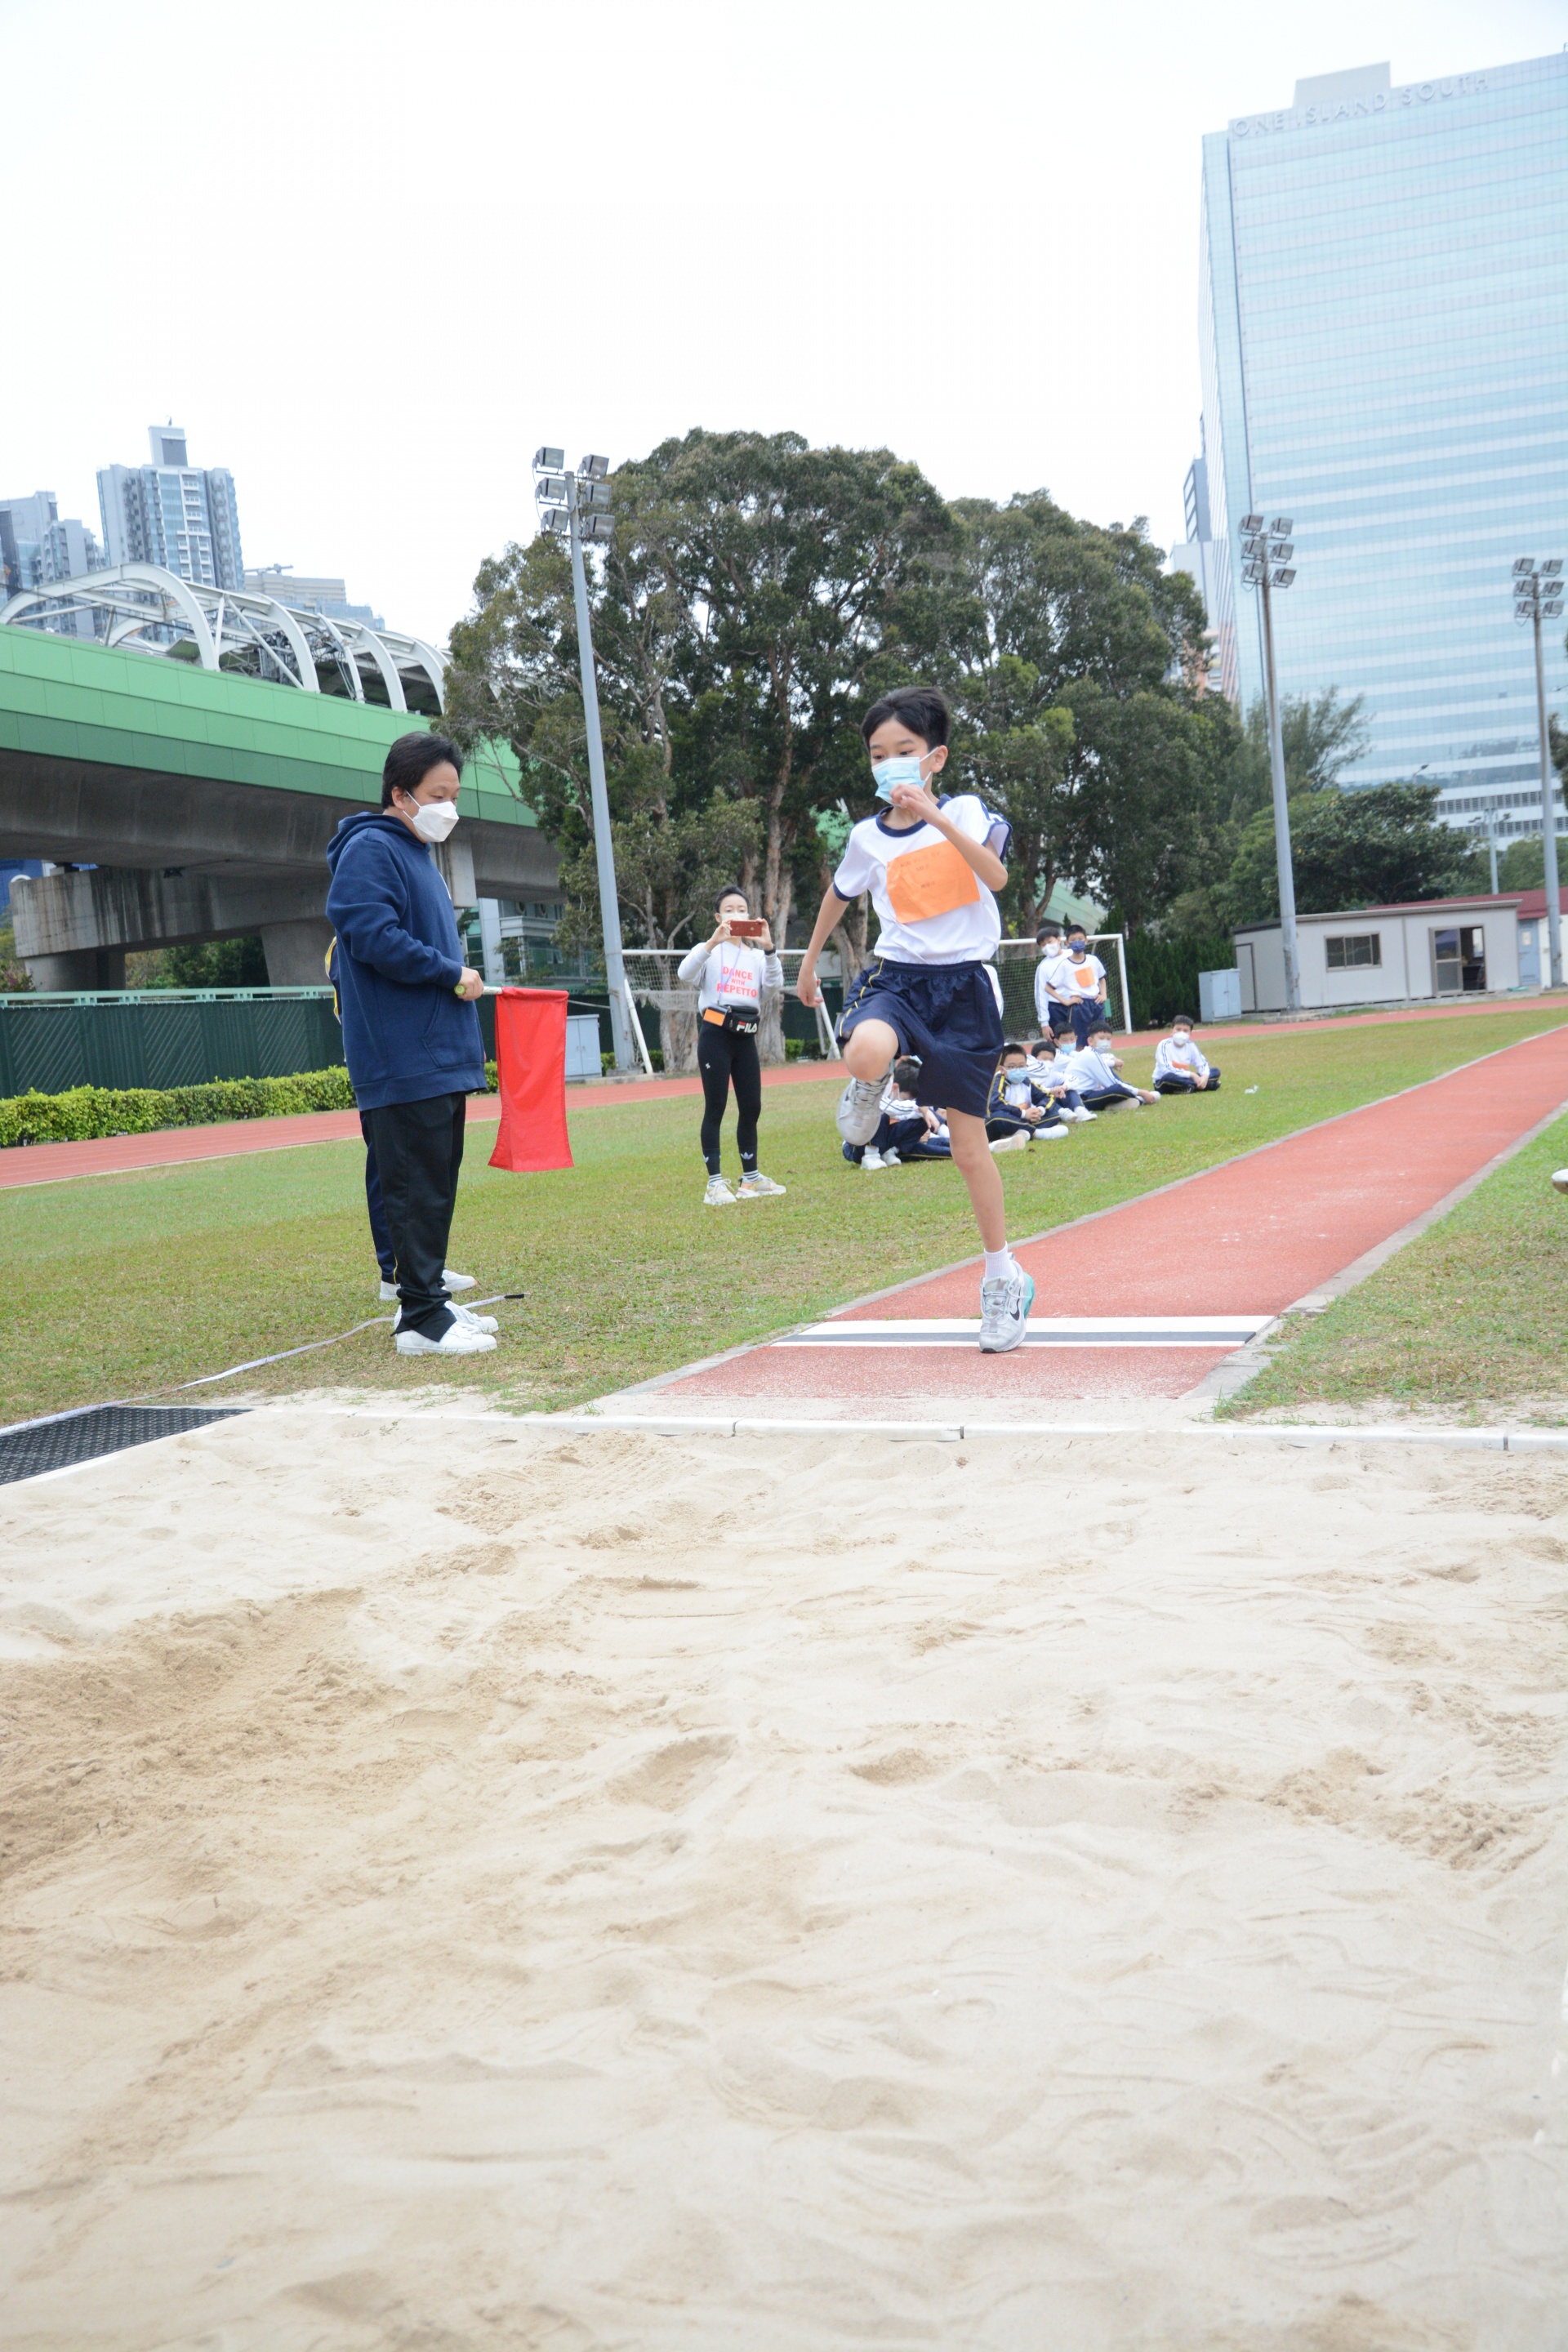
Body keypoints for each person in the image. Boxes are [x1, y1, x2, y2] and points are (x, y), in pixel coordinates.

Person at [796, 683, 1035, 1352]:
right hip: (900, 977)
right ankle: (868, 1085)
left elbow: (995, 877)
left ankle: (1004, 1278)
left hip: (966, 988)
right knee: (864, 1049)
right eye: (877, 754)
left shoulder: (965, 810)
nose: (889, 764)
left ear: (935, 757)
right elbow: (838, 895)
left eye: (903, 750)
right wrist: (808, 965)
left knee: (967, 1149)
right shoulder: (866, 837)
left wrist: (934, 816)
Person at [325, 732, 497, 1357]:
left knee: (434, 1184)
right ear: (401, 795)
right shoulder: (370, 849)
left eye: (454, 795)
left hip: (438, 1055)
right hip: (403, 1056)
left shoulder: (417, 853)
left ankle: (430, 1299)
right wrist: (450, 972)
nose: (448, 807)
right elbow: (371, 935)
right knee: (413, 1184)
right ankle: (421, 1320)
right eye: (437, 795)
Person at [676, 884, 788, 1206]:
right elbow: (685, 973)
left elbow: (772, 987)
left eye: (741, 910)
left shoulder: (756, 956)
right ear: (718, 917)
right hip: (716, 1035)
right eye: (729, 910)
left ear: (750, 916)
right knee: (716, 1107)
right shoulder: (709, 951)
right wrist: (712, 942)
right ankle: (714, 1184)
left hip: (745, 1037)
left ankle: (751, 1179)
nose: (736, 915)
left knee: (751, 1107)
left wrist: (769, 949)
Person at [861, 1058, 951, 1165]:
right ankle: (872, 1157)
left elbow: (928, 1121)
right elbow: (894, 1109)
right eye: (905, 1099)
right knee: (942, 1151)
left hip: (905, 1142)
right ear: (895, 1087)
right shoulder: (877, 1093)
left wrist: (921, 1130)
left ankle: (964, 1144)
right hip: (870, 1144)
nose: (907, 1103)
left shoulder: (909, 1096)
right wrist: (919, 1109)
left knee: (949, 1142)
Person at [986, 1043, 1070, 1152]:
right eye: (1012, 1067)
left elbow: (1047, 1096)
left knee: (1054, 1114)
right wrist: (1024, 1113)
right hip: (1002, 1121)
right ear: (1001, 1069)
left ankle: (1015, 1135)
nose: (1018, 1070)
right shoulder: (998, 1081)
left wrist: (1040, 1110)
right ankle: (1036, 1133)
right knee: (998, 1117)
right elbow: (995, 1104)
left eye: (1021, 1066)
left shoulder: (1027, 1082)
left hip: (1023, 1121)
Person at [1065, 1020, 1159, 1111]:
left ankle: (1117, 1104)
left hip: (1092, 1093)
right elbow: (1111, 1083)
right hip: (1082, 1098)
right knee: (1117, 1089)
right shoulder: (1090, 1056)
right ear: (1090, 1041)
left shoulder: (1094, 1054)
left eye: (1108, 1039)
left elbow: (1108, 1063)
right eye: (1102, 1038)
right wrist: (1142, 1092)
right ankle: (1141, 1099)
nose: (1105, 1042)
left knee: (1124, 1086)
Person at [1054, 924, 1110, 1049]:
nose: (1077, 942)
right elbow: (1049, 987)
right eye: (1073, 940)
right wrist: (1066, 1001)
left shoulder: (1093, 960)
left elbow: (1102, 979)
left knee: (1100, 1035)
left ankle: (1101, 1058)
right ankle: (1079, 1059)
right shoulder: (1065, 964)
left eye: (1080, 939)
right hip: (1079, 1006)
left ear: (1086, 940)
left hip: (1096, 1003)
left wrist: (1104, 995)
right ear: (1067, 942)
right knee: (1080, 1039)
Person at [1027, 1036, 1096, 1123]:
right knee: (1046, 1098)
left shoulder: (1052, 1074)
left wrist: (1064, 1087)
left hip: (1057, 1099)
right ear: (1034, 1059)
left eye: (1051, 1059)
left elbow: (1073, 1079)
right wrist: (1051, 1090)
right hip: (1039, 1105)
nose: (1048, 1062)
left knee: (1069, 1089)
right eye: (1044, 1059)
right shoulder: (1026, 1074)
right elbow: (1032, 1092)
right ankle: (1063, 1113)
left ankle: (1079, 1110)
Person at [1152, 1014, 1221, 1094]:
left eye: (1185, 1031)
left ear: (1190, 1034)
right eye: (1178, 1029)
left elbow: (1202, 1064)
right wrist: (1192, 1075)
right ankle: (1205, 1086)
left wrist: (1205, 1077)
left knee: (1215, 1072)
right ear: (1172, 1031)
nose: (1181, 1033)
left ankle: (1190, 1086)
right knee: (1168, 1077)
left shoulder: (1191, 1045)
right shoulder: (1164, 1045)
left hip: (1185, 1077)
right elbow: (1166, 1070)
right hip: (1165, 1080)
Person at [1032, 922, 1072, 1040]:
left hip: (1077, 1005)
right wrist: (1044, 1023)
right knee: (1059, 1042)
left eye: (1049, 942)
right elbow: (1041, 996)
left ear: (1058, 940)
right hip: (1055, 1009)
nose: (1047, 947)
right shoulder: (1043, 967)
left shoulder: (1072, 955)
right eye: (1043, 945)